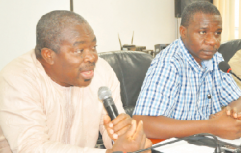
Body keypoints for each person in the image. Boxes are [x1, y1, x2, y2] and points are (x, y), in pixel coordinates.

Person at [0, 10, 151, 153]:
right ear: (48, 55)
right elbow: (31, 148)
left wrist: (124, 138)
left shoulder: (101, 71)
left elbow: (112, 134)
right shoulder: (17, 79)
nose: (92, 57)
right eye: (80, 50)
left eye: (93, 47)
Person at [132, 1, 241, 140]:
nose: (212, 41)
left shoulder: (216, 59)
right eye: (202, 32)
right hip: (174, 145)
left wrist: (229, 114)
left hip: (208, 142)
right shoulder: (169, 63)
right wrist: (212, 126)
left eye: (217, 33)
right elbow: (143, 123)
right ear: (183, 32)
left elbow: (240, 101)